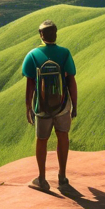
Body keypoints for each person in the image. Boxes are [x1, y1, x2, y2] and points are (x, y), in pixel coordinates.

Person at [22, 19, 77, 192]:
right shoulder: (65, 53)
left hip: (42, 107)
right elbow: (71, 80)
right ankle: (62, 178)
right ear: (56, 34)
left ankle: (42, 180)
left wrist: (28, 107)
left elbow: (30, 83)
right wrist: (74, 105)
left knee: (42, 141)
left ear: (41, 35)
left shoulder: (32, 55)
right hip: (62, 106)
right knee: (63, 137)